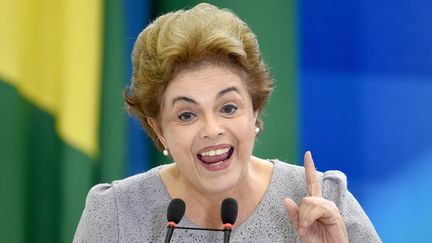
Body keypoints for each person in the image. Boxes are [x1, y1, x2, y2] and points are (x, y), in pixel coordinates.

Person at [74, 3, 380, 242]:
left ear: (255, 110)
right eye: (187, 115)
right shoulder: (115, 214)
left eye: (228, 107)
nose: (211, 129)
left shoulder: (323, 203)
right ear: (158, 129)